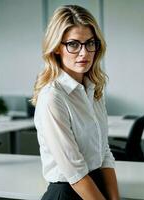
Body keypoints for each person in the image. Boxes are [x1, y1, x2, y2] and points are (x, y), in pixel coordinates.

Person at [31, 5, 119, 200]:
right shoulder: (53, 97)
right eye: (73, 44)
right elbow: (75, 172)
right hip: (68, 192)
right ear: (56, 48)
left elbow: (104, 152)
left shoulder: (93, 90)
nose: (84, 53)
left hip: (96, 186)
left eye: (90, 43)